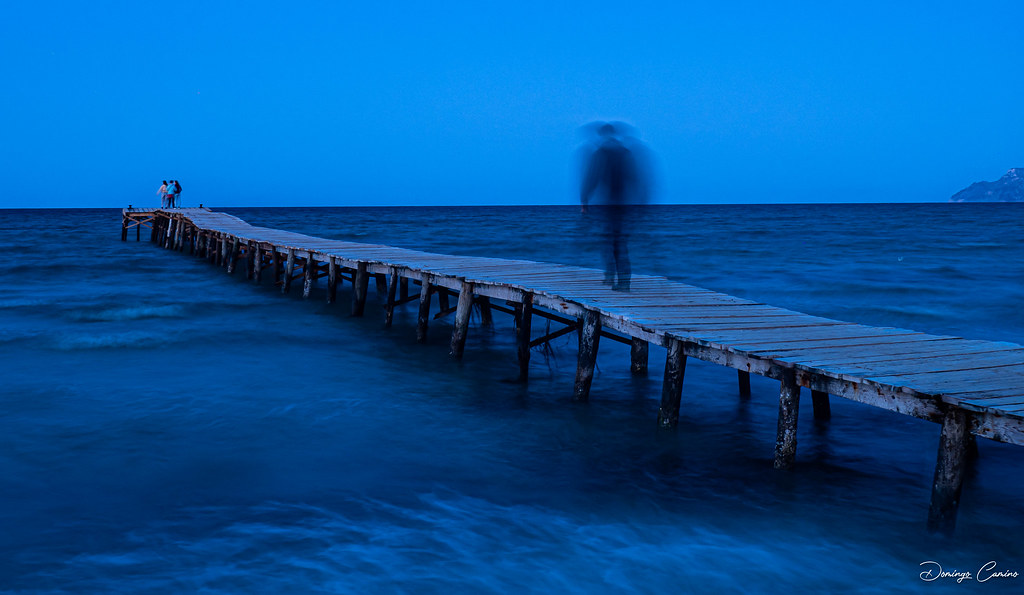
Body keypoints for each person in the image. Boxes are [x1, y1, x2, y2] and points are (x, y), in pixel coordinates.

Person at [578, 122, 650, 291]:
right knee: (620, 243)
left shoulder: (600, 153)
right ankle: (623, 281)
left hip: (608, 204)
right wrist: (641, 202)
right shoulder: (625, 152)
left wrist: (584, 200)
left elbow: (591, 177)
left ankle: (611, 276)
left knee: (608, 242)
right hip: (625, 204)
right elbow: (635, 178)